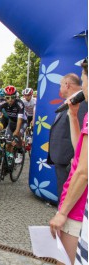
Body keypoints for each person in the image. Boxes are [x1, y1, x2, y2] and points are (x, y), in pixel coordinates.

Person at [50, 59, 88, 265]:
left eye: (84, 80)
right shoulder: (82, 112)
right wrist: (73, 116)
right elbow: (80, 148)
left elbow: (83, 171)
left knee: (64, 260)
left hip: (77, 206)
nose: (84, 87)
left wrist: (62, 212)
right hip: (73, 199)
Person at [48, 73, 87, 202]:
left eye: (60, 85)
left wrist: (74, 157)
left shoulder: (82, 103)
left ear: (67, 85)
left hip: (69, 161)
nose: (60, 89)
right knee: (63, 192)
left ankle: (64, 218)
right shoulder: (73, 101)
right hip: (63, 159)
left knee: (67, 197)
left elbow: (82, 132)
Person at [0, 85, 27, 164]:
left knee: (18, 135)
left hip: (22, 122)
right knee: (8, 143)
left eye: (12, 97)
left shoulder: (19, 103)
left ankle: (20, 151)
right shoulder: (2, 103)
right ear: (4, 97)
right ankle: (8, 161)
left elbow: (20, 120)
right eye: (7, 97)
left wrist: (16, 132)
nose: (10, 100)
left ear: (16, 96)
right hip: (12, 122)